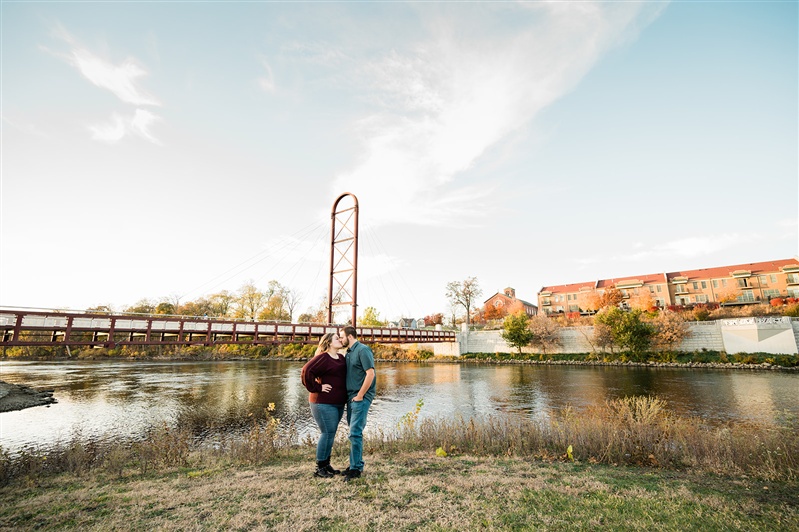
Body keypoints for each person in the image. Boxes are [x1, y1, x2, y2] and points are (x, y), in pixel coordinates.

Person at [301, 332, 347, 478]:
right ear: (329, 343)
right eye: (337, 338)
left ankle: (326, 465)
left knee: (331, 434)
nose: (340, 340)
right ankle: (319, 468)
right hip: (323, 402)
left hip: (338, 403)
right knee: (327, 433)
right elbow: (306, 371)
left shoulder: (341, 357)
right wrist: (317, 387)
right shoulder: (323, 358)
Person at [339, 326, 376, 481]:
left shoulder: (363, 350)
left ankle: (355, 469)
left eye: (341, 336)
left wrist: (360, 395)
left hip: (360, 397)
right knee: (354, 433)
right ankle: (355, 464)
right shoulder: (348, 353)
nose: (340, 339)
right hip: (351, 398)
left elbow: (370, 373)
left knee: (355, 432)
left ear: (350, 336)